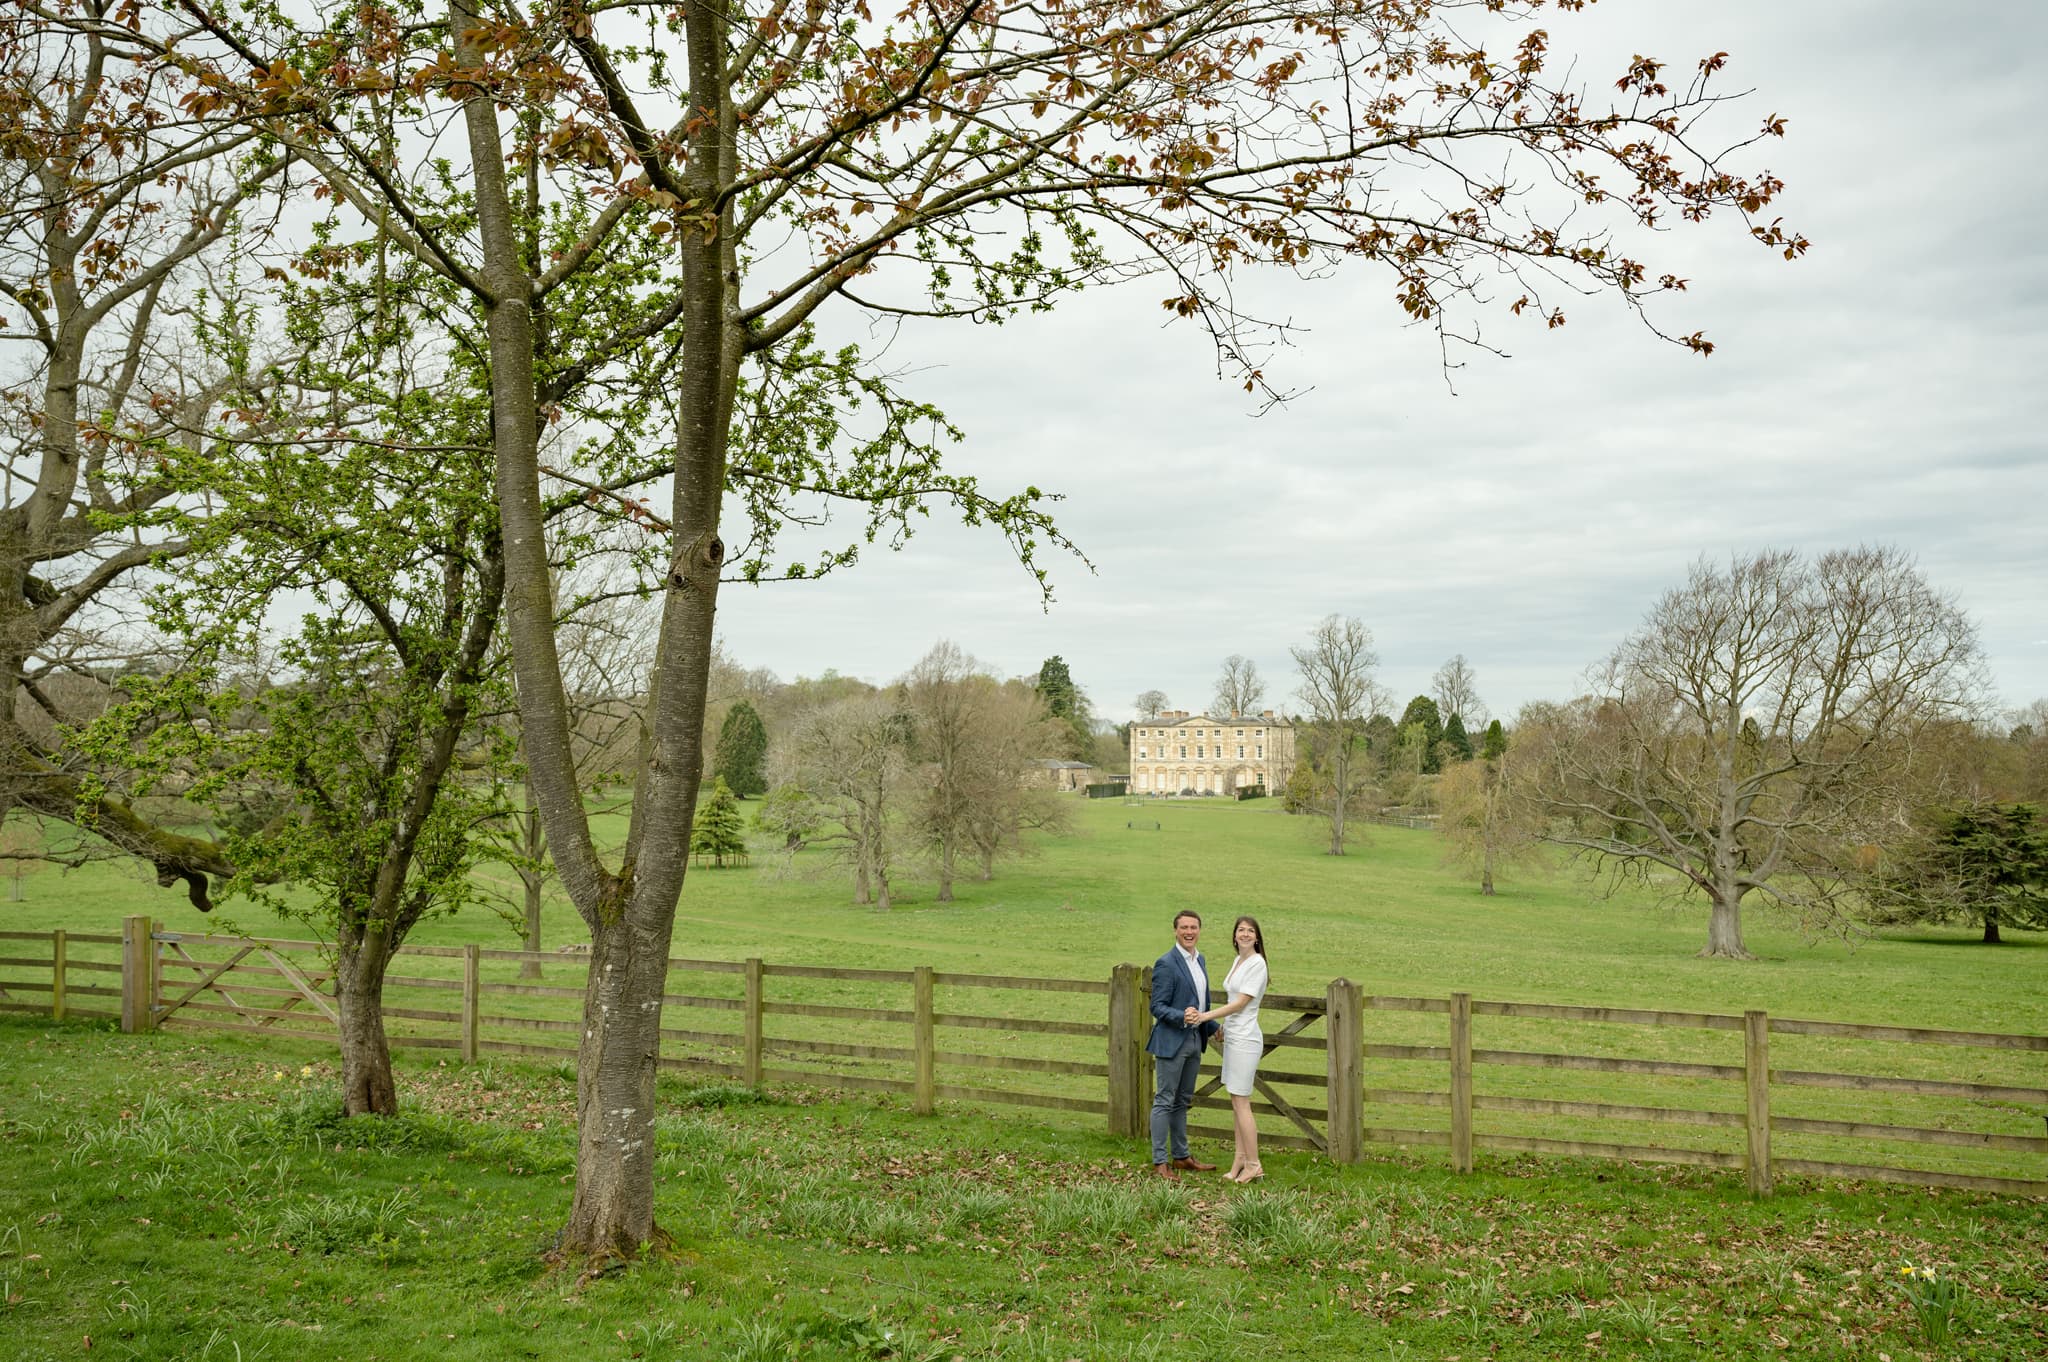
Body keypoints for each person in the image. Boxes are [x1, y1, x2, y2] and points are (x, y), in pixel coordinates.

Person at [1193, 915, 1269, 1183]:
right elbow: (1232, 1001)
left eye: (1250, 931)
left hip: (1246, 1040)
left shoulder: (1257, 964)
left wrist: (1205, 1017)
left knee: (1242, 1101)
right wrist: (1223, 1027)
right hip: (1234, 1036)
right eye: (1241, 930)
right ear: (1235, 936)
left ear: (1257, 937)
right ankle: (1240, 1159)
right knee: (1235, 1102)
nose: (1245, 934)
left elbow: (1241, 1003)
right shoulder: (1239, 960)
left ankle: (1254, 1164)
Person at [1146, 909, 1220, 1180]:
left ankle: (1182, 1157)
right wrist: (1182, 1016)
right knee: (1164, 1100)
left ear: (1200, 930)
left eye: (1194, 927)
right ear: (1175, 930)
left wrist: (1213, 1028)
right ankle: (1160, 1162)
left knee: (1182, 1101)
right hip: (1171, 1041)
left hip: (1194, 1039)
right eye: (1184, 927)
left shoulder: (1200, 960)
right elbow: (1158, 1006)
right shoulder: (1166, 963)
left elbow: (1202, 1005)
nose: (1189, 932)